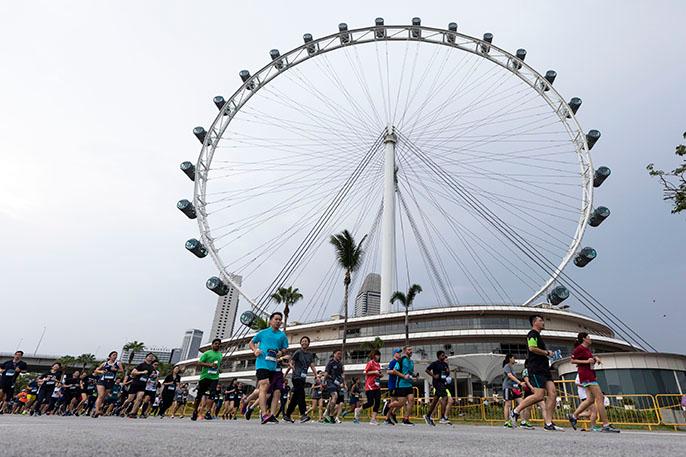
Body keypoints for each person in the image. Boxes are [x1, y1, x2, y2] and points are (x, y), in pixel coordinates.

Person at [510, 315, 563, 431]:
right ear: (534, 323)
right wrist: (546, 352)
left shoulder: (538, 336)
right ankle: (515, 411)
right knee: (539, 395)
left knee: (553, 393)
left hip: (545, 370)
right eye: (540, 320)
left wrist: (549, 354)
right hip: (536, 369)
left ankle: (548, 423)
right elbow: (532, 348)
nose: (543, 322)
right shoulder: (532, 334)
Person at [567, 332, 619, 433]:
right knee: (600, 397)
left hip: (590, 375)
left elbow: (588, 359)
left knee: (590, 400)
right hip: (586, 376)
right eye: (588, 337)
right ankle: (605, 424)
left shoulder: (586, 350)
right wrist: (587, 362)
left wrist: (595, 359)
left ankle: (574, 416)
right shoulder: (579, 348)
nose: (590, 339)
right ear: (584, 339)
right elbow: (572, 360)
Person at [248, 312, 289, 424]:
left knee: (270, 392)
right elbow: (251, 343)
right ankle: (264, 413)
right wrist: (255, 350)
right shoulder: (263, 333)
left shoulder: (282, 336)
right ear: (270, 321)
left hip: (273, 366)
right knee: (264, 385)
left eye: (280, 320)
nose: (278, 321)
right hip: (261, 363)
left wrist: (281, 352)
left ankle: (266, 414)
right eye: (276, 319)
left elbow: (285, 348)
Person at [284, 335, 318, 423]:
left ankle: (287, 415)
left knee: (296, 397)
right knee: (301, 394)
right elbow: (291, 363)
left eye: (306, 341)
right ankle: (303, 414)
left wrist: (316, 376)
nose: (304, 342)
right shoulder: (298, 352)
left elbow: (312, 366)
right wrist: (285, 374)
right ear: (300, 343)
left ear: (308, 343)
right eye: (302, 341)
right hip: (296, 377)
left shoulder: (310, 355)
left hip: (303, 378)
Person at [191, 338, 223, 421]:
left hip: (214, 377)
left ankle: (208, 413)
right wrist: (210, 365)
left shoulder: (220, 355)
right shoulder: (207, 353)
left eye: (219, 344)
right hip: (205, 377)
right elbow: (199, 363)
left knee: (212, 394)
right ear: (212, 345)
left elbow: (217, 365)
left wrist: (219, 369)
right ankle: (195, 411)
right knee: (199, 395)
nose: (217, 345)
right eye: (216, 343)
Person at [385, 346, 416, 426]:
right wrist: (403, 376)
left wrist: (414, 377)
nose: (411, 351)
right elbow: (392, 371)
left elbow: (410, 372)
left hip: (408, 384)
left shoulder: (411, 362)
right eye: (409, 350)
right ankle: (388, 406)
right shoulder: (398, 361)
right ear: (405, 351)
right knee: (400, 403)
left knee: (411, 400)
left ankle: (405, 419)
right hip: (399, 384)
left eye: (411, 349)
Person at [354, 350, 383, 425]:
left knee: (377, 402)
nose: (378, 356)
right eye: (376, 355)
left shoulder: (378, 364)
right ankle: (358, 410)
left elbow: (378, 373)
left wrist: (380, 375)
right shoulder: (370, 363)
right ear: (373, 355)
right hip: (370, 386)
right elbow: (365, 372)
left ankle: (373, 419)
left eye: (379, 355)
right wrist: (374, 372)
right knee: (370, 403)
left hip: (377, 385)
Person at [125, 352, 157, 418]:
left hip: (143, 385)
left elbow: (151, 376)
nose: (151, 357)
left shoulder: (152, 368)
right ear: (146, 358)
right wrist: (142, 372)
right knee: (130, 399)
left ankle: (132, 413)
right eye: (149, 356)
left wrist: (153, 376)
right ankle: (122, 408)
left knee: (139, 398)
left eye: (152, 356)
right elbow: (133, 373)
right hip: (135, 383)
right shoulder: (141, 365)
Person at [93, 351, 124, 418]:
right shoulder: (105, 363)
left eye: (116, 355)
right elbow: (96, 370)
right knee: (100, 395)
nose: (115, 356)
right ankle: (96, 411)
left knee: (104, 397)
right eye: (113, 355)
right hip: (102, 381)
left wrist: (115, 369)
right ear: (110, 356)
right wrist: (101, 371)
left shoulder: (118, 363)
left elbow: (122, 371)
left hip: (111, 382)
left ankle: (98, 408)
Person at [424, 351, 451, 426]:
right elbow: (427, 370)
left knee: (435, 400)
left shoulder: (445, 364)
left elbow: (447, 373)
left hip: (442, 382)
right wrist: (433, 375)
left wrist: (448, 371)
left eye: (444, 355)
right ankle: (442, 417)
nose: (444, 356)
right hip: (437, 382)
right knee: (445, 396)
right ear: (438, 356)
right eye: (442, 355)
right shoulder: (435, 363)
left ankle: (428, 415)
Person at [501, 353, 524, 428]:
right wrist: (520, 382)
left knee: (522, 403)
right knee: (508, 404)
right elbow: (510, 376)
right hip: (507, 387)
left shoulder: (512, 367)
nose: (514, 359)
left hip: (514, 388)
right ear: (510, 359)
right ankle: (507, 422)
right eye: (513, 358)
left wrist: (518, 386)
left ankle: (523, 421)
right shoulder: (507, 366)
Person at [322, 349, 344, 423]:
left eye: (340, 354)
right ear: (334, 354)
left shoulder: (340, 364)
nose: (339, 355)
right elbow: (326, 373)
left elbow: (341, 375)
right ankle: (331, 416)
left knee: (332, 400)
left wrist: (342, 382)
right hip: (330, 382)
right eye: (338, 354)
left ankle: (326, 415)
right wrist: (323, 382)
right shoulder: (330, 363)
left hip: (337, 384)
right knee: (335, 396)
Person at [382, 349, 403, 425]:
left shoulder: (400, 362)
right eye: (398, 353)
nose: (400, 354)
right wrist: (395, 372)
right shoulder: (393, 362)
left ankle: (392, 413)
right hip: (393, 385)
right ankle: (387, 418)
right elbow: (388, 371)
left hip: (399, 385)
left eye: (400, 353)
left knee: (402, 402)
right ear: (394, 354)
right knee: (394, 402)